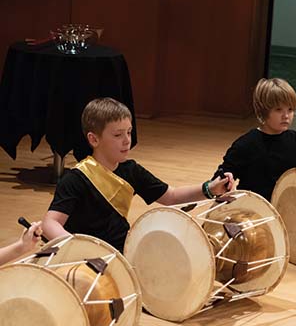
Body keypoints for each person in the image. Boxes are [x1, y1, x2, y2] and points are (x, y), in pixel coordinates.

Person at [42, 97, 234, 252]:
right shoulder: (75, 179)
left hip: (121, 251)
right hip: (86, 259)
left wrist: (210, 188)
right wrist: (79, 247)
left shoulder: (131, 170)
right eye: (118, 135)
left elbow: (171, 196)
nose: (127, 141)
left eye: (129, 132)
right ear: (94, 139)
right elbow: (50, 223)